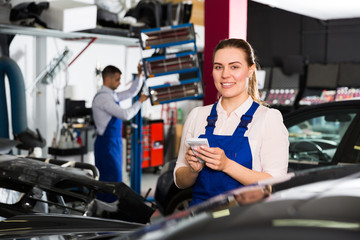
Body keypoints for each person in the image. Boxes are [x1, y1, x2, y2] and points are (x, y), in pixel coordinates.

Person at [174, 38, 289, 206]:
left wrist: (227, 165)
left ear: (250, 70)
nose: (225, 74)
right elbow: (179, 179)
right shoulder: (197, 115)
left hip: (242, 224)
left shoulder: (268, 118)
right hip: (200, 221)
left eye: (234, 67)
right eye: (218, 67)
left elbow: (276, 182)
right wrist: (193, 170)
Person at [92, 63, 148, 202]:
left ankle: (107, 210)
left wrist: (139, 76)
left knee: (113, 179)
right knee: (111, 180)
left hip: (113, 143)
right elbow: (125, 114)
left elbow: (131, 92)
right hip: (106, 145)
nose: (120, 82)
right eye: (117, 79)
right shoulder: (103, 98)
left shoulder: (111, 95)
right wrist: (140, 102)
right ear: (108, 79)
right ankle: (107, 212)